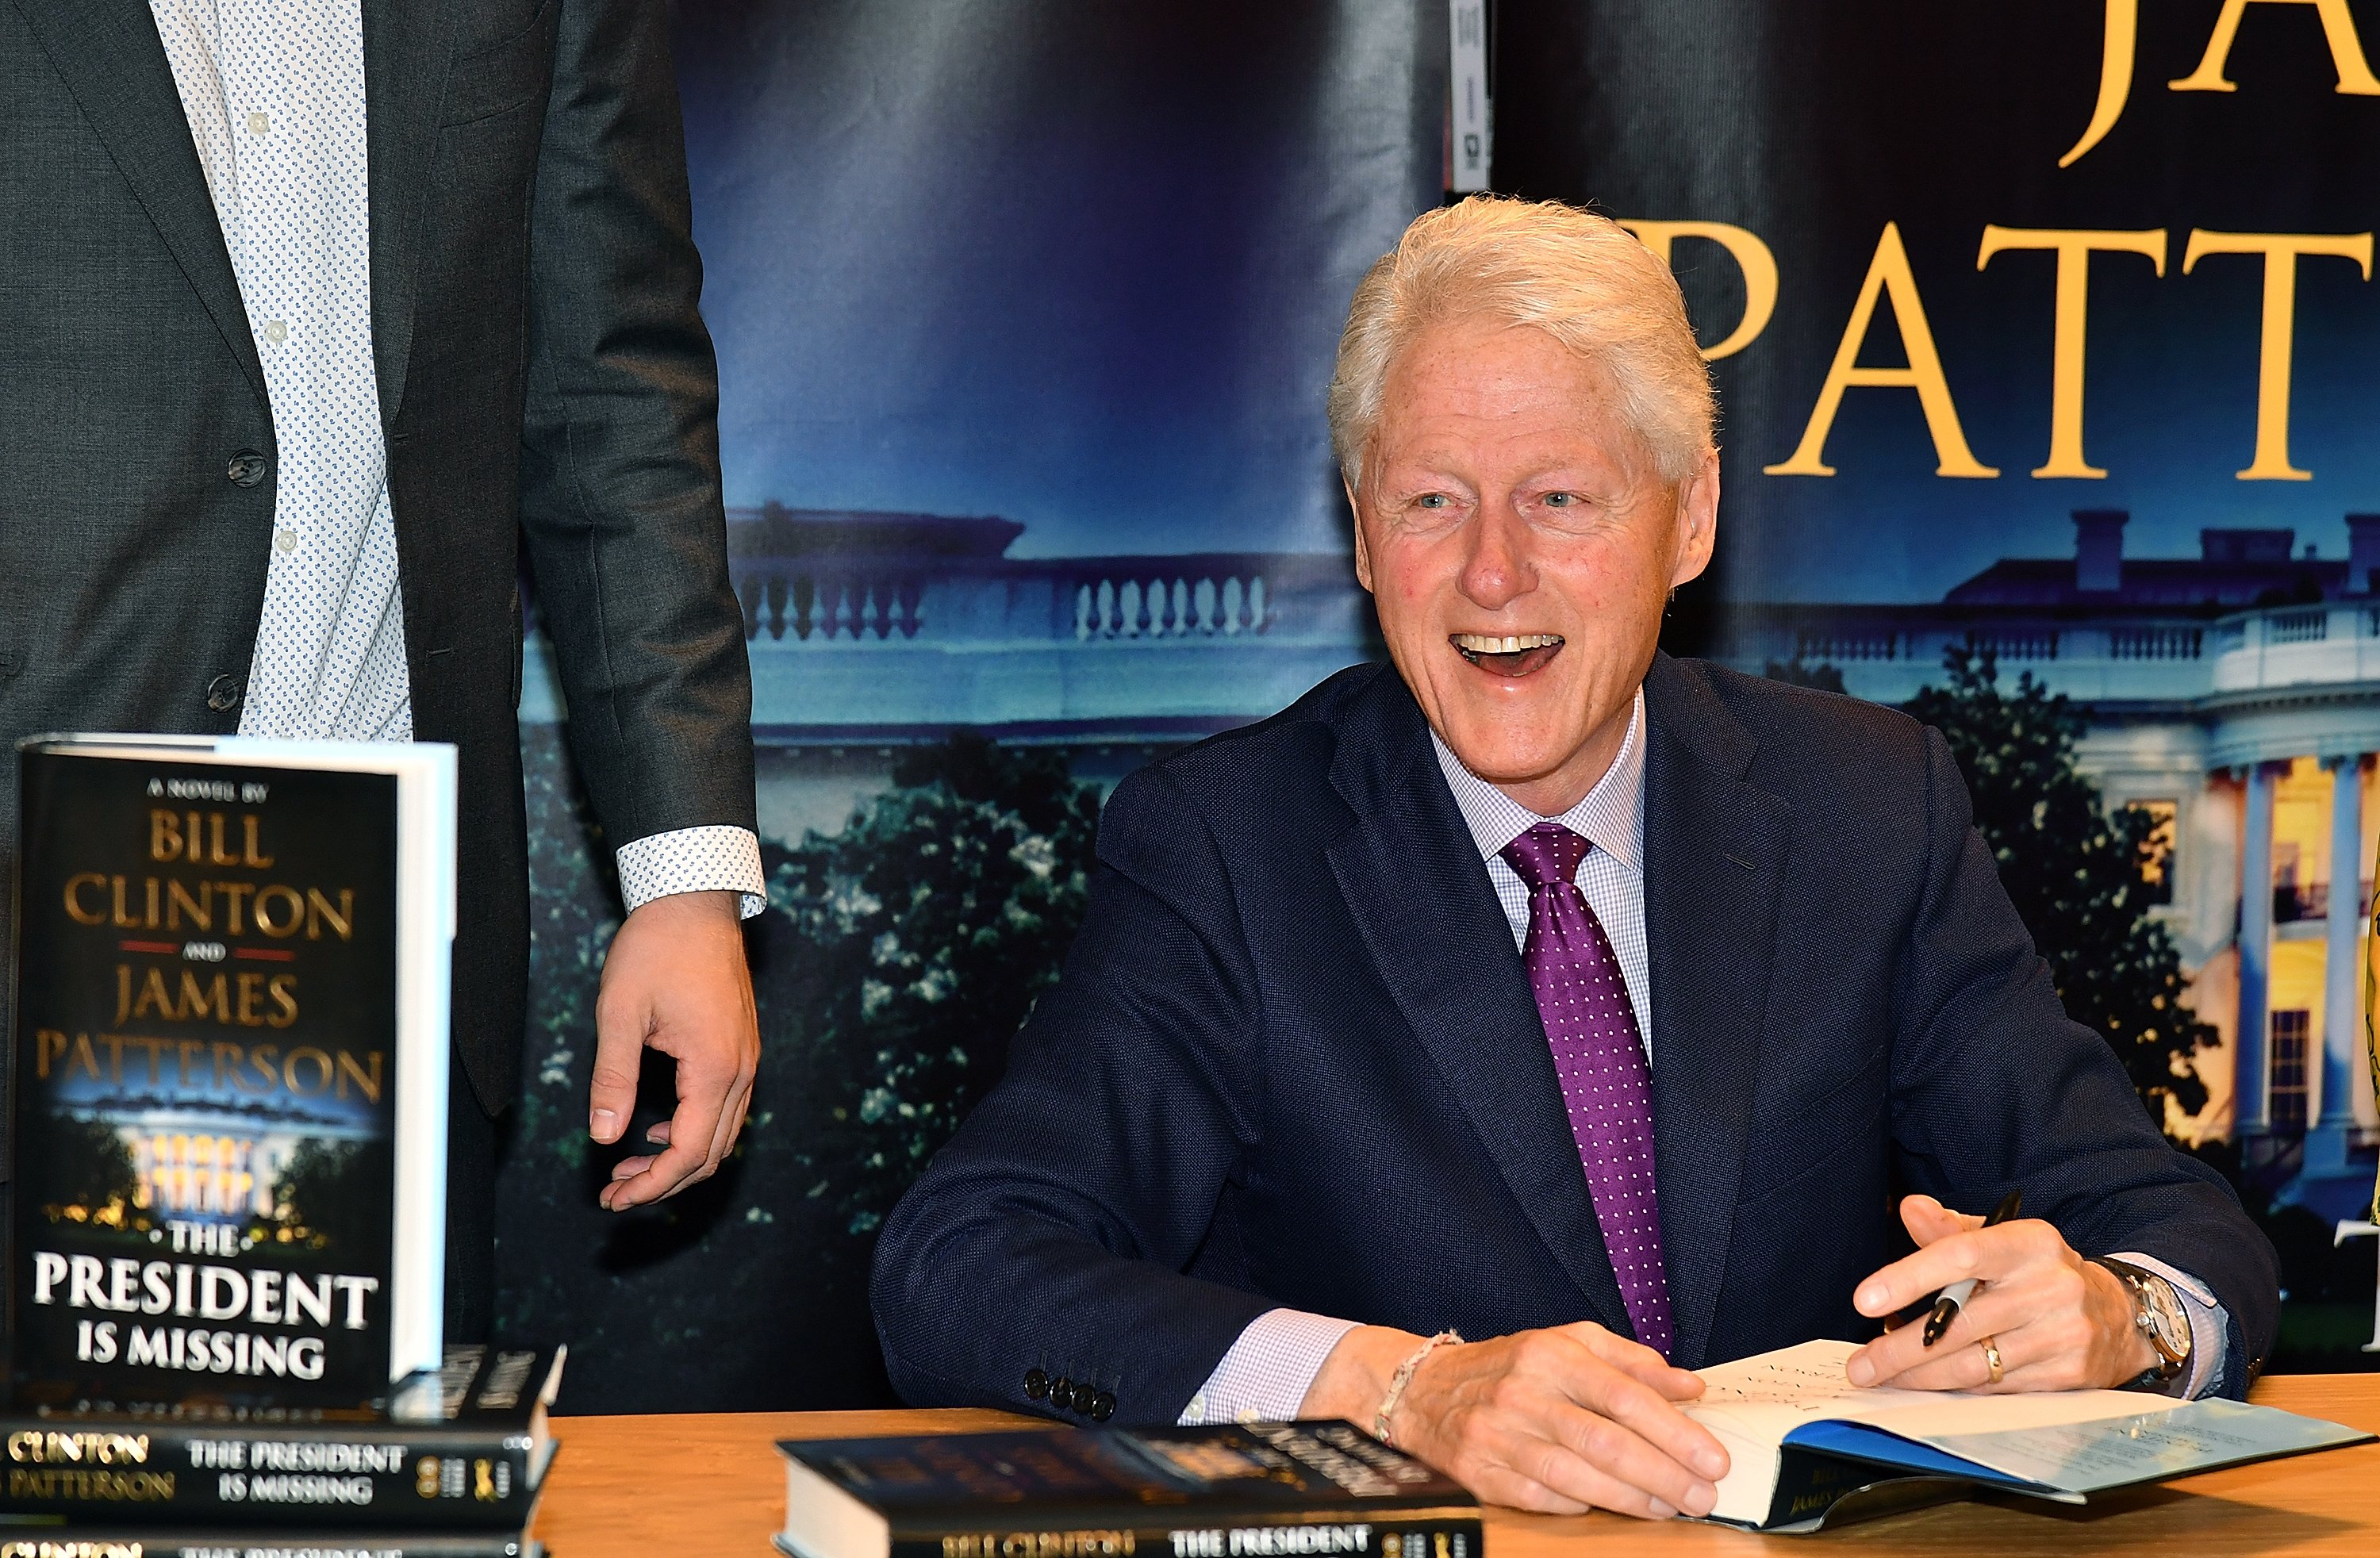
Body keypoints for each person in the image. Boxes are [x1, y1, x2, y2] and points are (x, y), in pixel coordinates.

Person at [869, 198, 2278, 1518]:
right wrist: (1398, 1390)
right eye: (1432, 502)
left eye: (1561, 499)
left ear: (1692, 517)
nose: (1492, 574)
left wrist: (2122, 1319)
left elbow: (2171, 1226)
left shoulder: (1868, 806)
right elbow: (960, 1271)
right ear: (1362, 530)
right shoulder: (1230, 845)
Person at [0, 0, 764, 1337]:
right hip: (30, 911)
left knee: (354, 1525)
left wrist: (686, 875)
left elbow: (612, 389)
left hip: (372, 957)